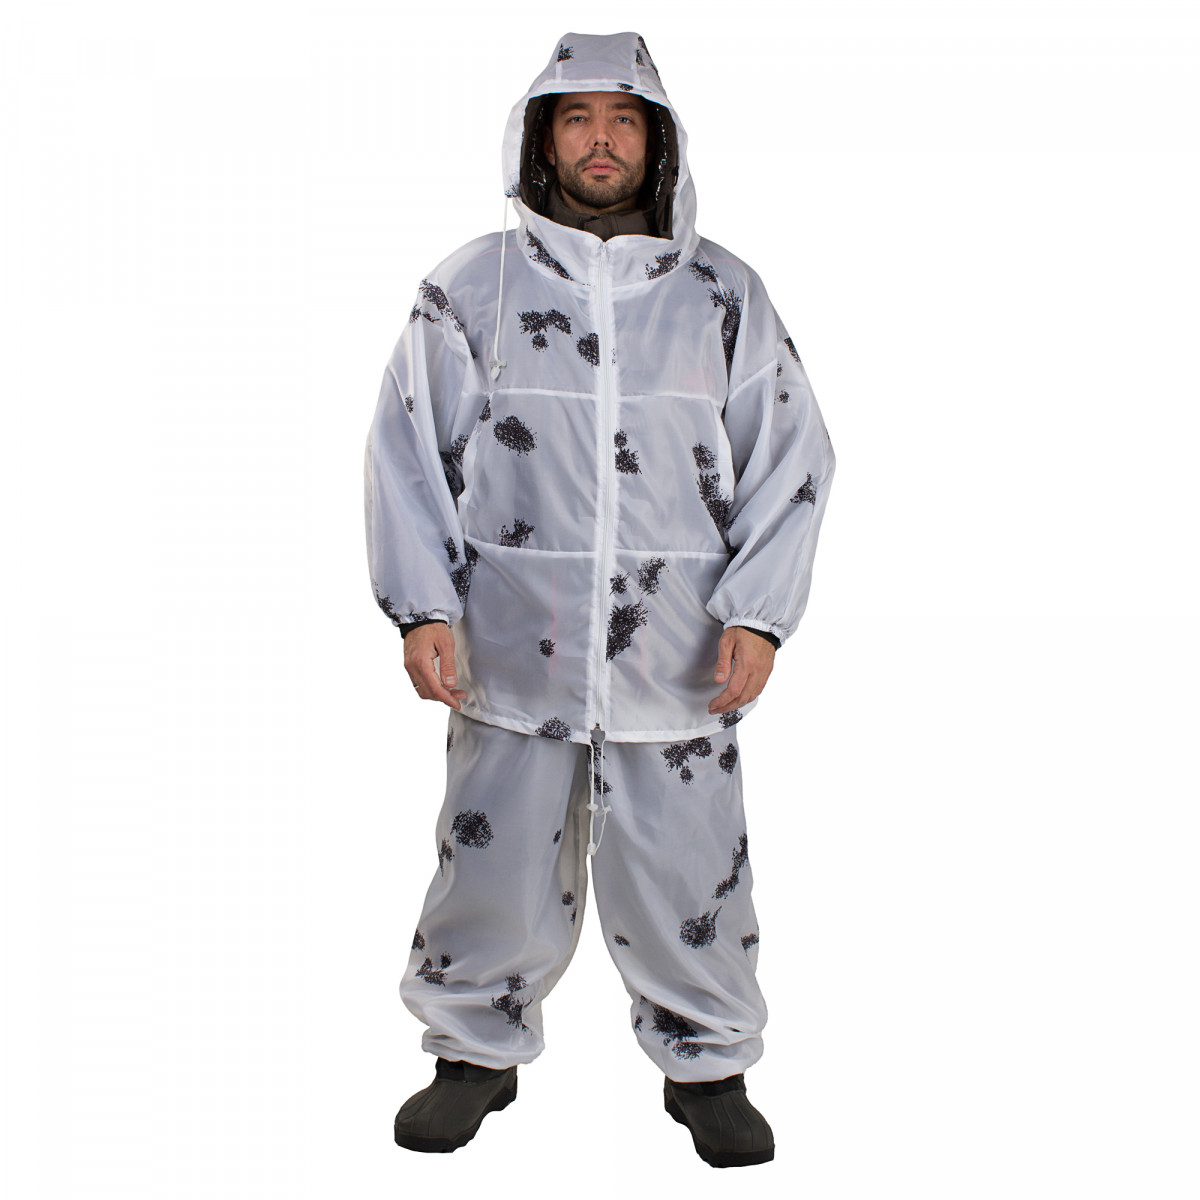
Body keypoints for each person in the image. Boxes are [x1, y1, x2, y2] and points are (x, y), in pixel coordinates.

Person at [363, 31, 835, 1169]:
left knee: (689, 858)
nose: (601, 140)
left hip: (679, 651)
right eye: (576, 118)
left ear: (657, 141)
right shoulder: (471, 288)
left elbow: (793, 455)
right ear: (542, 139)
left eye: (624, 119)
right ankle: (472, 1053)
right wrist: (423, 608)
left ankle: (708, 1064)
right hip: (509, 642)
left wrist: (757, 612)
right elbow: (406, 453)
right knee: (491, 854)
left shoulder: (723, 293)